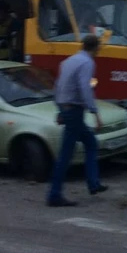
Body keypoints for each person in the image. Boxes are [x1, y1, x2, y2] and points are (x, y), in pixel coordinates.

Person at [47, 34, 106, 207]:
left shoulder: (69, 61)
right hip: (75, 111)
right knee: (67, 153)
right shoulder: (87, 63)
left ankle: (93, 183)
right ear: (95, 48)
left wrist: (60, 110)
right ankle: (54, 194)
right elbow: (84, 88)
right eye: (99, 48)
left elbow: (58, 86)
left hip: (66, 108)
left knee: (90, 142)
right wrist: (95, 112)